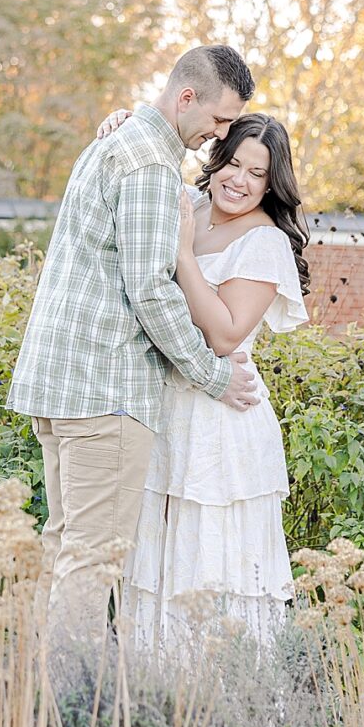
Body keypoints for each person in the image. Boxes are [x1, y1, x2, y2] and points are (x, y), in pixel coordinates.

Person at [7, 46, 264, 651]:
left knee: (66, 547)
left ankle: (36, 689)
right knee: (92, 559)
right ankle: (68, 694)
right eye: (219, 119)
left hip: (62, 385)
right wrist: (213, 376)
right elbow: (150, 289)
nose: (219, 135)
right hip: (107, 393)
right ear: (186, 98)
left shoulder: (114, 144)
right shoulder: (150, 165)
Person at [91, 109, 310, 660]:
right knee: (156, 561)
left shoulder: (264, 242)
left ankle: (220, 694)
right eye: (234, 164)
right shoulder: (186, 203)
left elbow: (224, 334)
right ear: (217, 159)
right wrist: (126, 123)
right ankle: (150, 689)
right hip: (162, 406)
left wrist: (184, 256)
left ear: (272, 184)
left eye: (257, 173)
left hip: (222, 418)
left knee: (210, 562)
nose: (239, 181)